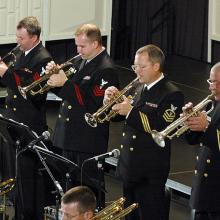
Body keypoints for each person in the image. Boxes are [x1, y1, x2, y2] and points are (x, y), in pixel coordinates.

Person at [104, 44, 184, 220]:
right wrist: (110, 104)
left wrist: (130, 111)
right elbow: (121, 118)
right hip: (130, 167)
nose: (137, 71)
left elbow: (162, 127)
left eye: (142, 66)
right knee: (129, 216)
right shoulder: (139, 87)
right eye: (135, 66)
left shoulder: (172, 94)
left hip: (150, 171)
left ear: (156, 66)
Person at [46, 23, 119, 207]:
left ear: (95, 44)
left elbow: (93, 103)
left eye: (82, 46)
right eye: (77, 45)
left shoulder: (106, 68)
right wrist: (56, 80)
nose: (78, 50)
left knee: (87, 193)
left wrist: (65, 83)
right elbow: (70, 97)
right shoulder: (81, 60)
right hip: (69, 136)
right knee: (69, 192)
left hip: (87, 140)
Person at [0, 16, 52, 220]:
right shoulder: (22, 52)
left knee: (27, 172)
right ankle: (19, 207)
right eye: (17, 36)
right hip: (14, 119)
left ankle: (28, 213)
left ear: (34, 37)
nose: (17, 41)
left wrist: (5, 73)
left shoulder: (43, 58)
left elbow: (30, 89)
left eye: (21, 38)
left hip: (30, 122)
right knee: (16, 169)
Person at [183, 62, 220, 220]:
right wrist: (190, 123)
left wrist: (206, 127)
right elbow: (193, 140)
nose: (213, 86)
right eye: (211, 81)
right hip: (204, 191)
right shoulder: (212, 103)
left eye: (219, 82)